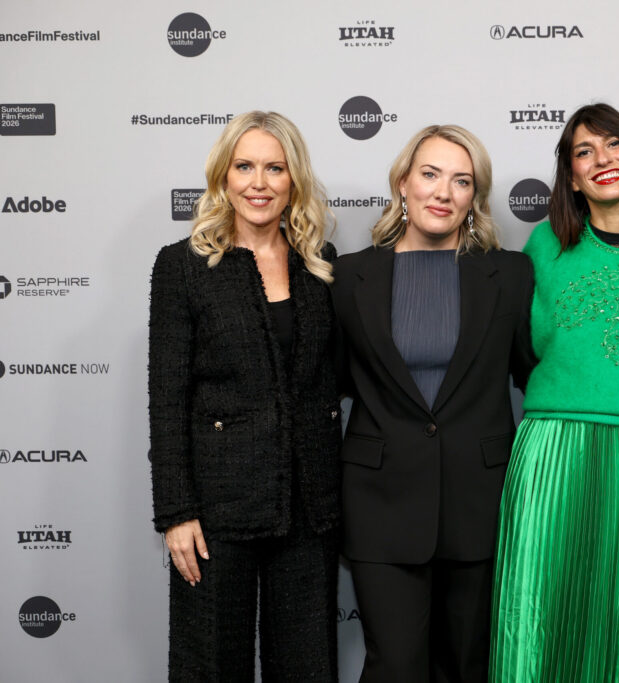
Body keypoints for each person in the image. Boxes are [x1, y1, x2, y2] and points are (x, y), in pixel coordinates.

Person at [490, 103, 619, 682]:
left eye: (614, 144)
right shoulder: (544, 246)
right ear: (572, 177)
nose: (602, 159)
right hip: (554, 450)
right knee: (544, 615)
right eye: (584, 152)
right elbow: (520, 349)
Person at [329, 125, 535, 683]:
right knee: (394, 667)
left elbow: (538, 373)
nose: (443, 191)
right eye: (430, 174)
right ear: (403, 182)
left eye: (461, 181)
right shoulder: (348, 277)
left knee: (467, 667)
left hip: (481, 503)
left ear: (474, 196)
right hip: (380, 503)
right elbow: (331, 381)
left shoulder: (511, 275)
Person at [148, 111, 342, 681]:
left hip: (309, 509)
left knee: (308, 667)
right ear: (223, 176)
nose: (259, 183)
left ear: (293, 179)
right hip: (216, 510)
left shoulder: (319, 264)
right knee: (210, 666)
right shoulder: (182, 266)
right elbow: (167, 399)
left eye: (275, 168)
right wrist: (177, 513)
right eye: (245, 167)